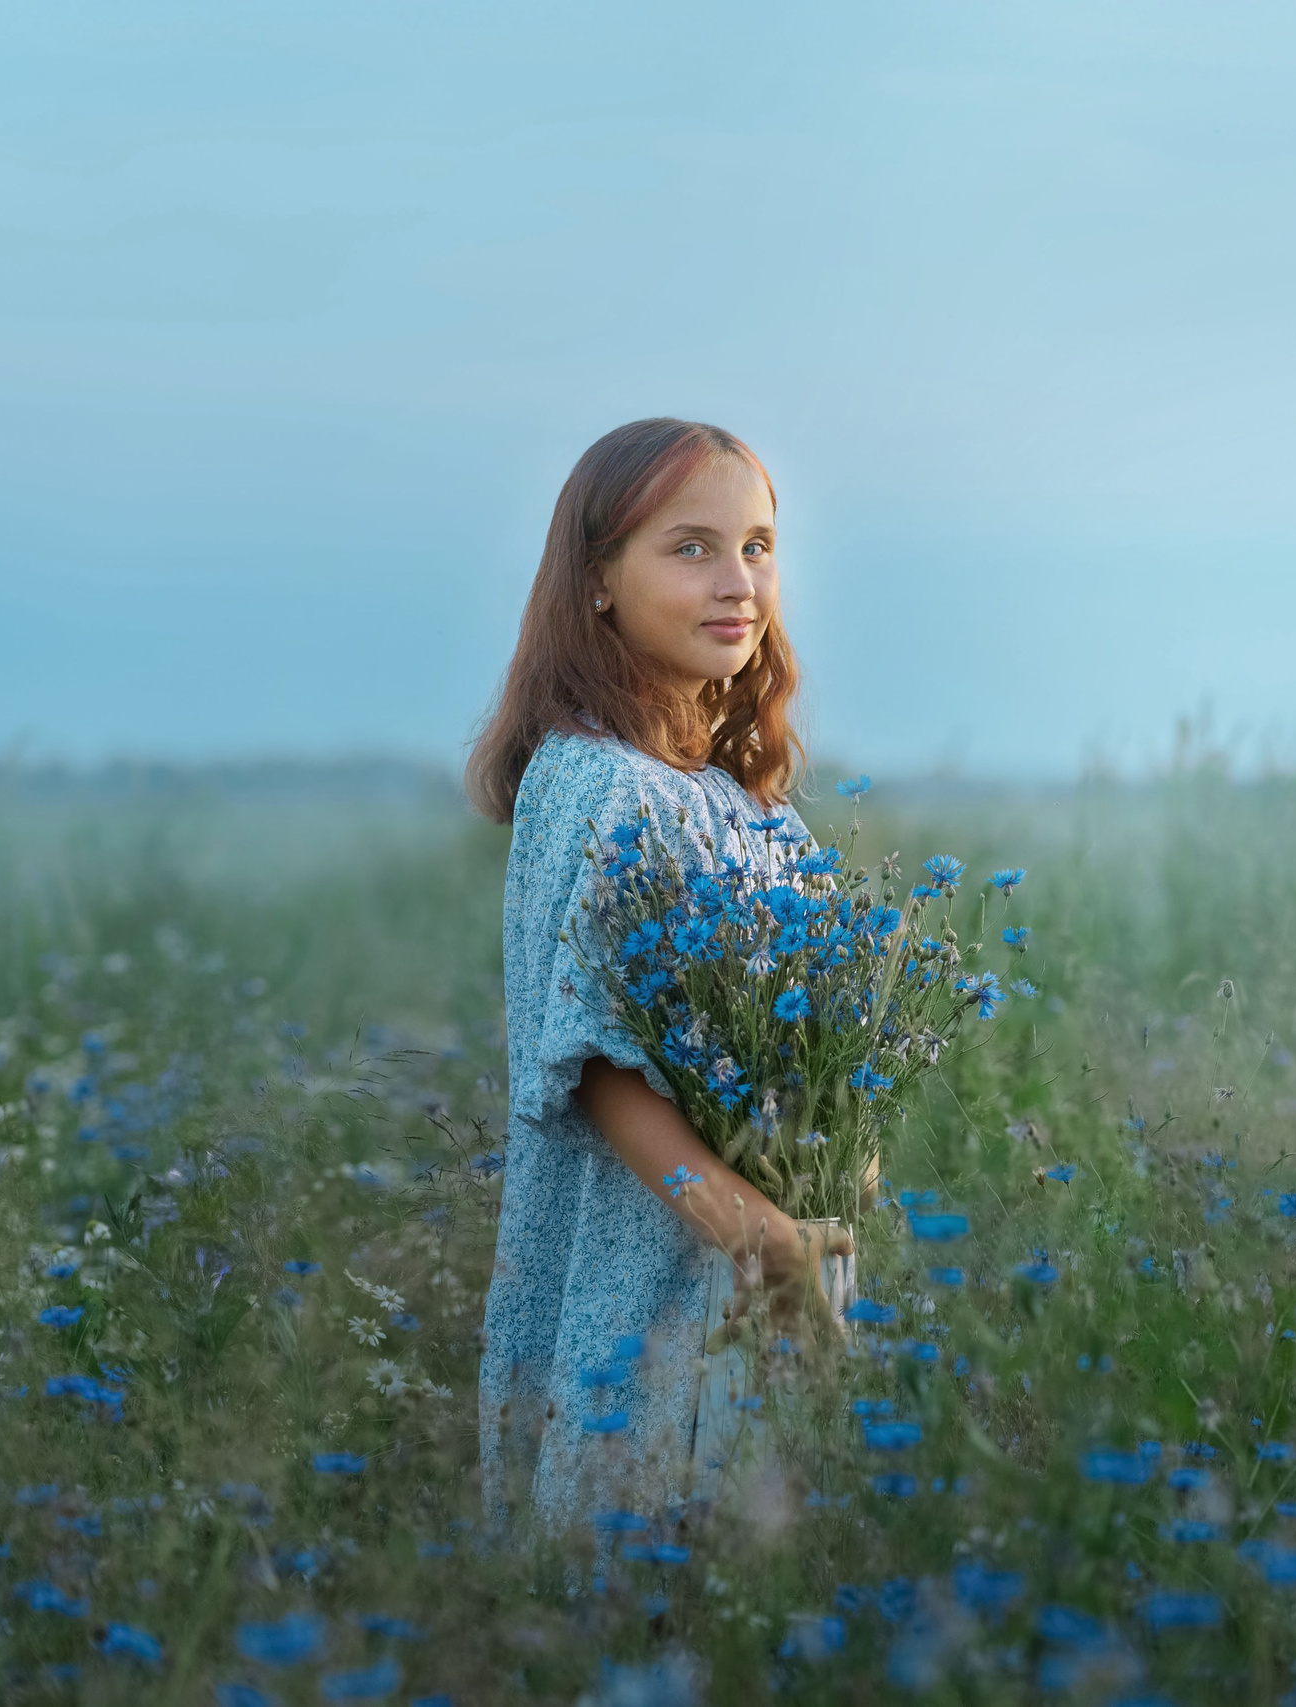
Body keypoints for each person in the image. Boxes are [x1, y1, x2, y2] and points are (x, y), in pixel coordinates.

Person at [466, 418, 851, 1529]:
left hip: (769, 1266)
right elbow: (595, 1071)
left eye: (758, 546)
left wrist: (835, 1165)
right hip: (663, 1276)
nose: (738, 582)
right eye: (691, 548)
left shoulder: (737, 800)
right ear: (597, 581)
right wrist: (768, 1243)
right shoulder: (595, 785)